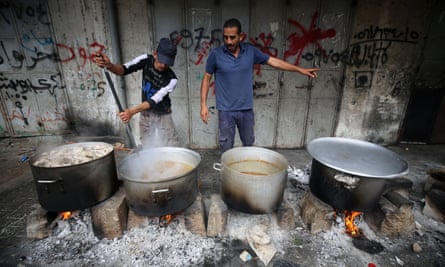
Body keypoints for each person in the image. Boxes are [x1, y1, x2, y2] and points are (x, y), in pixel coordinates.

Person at [200, 18, 320, 152]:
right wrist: (203, 104)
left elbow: (274, 61)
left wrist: (300, 69)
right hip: (226, 111)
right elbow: (206, 78)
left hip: (246, 110)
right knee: (226, 147)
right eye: (226, 37)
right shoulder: (216, 55)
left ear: (241, 36)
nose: (228, 41)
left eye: (232, 37)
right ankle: (227, 172)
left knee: (248, 146)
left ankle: (246, 172)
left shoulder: (251, 52)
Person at [94, 38, 179, 148]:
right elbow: (124, 69)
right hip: (145, 113)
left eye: (167, 63)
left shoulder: (172, 80)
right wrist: (109, 65)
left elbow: (153, 100)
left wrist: (131, 111)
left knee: (171, 142)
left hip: (163, 113)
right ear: (155, 54)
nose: (163, 65)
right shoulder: (146, 59)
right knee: (147, 142)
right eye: (161, 61)